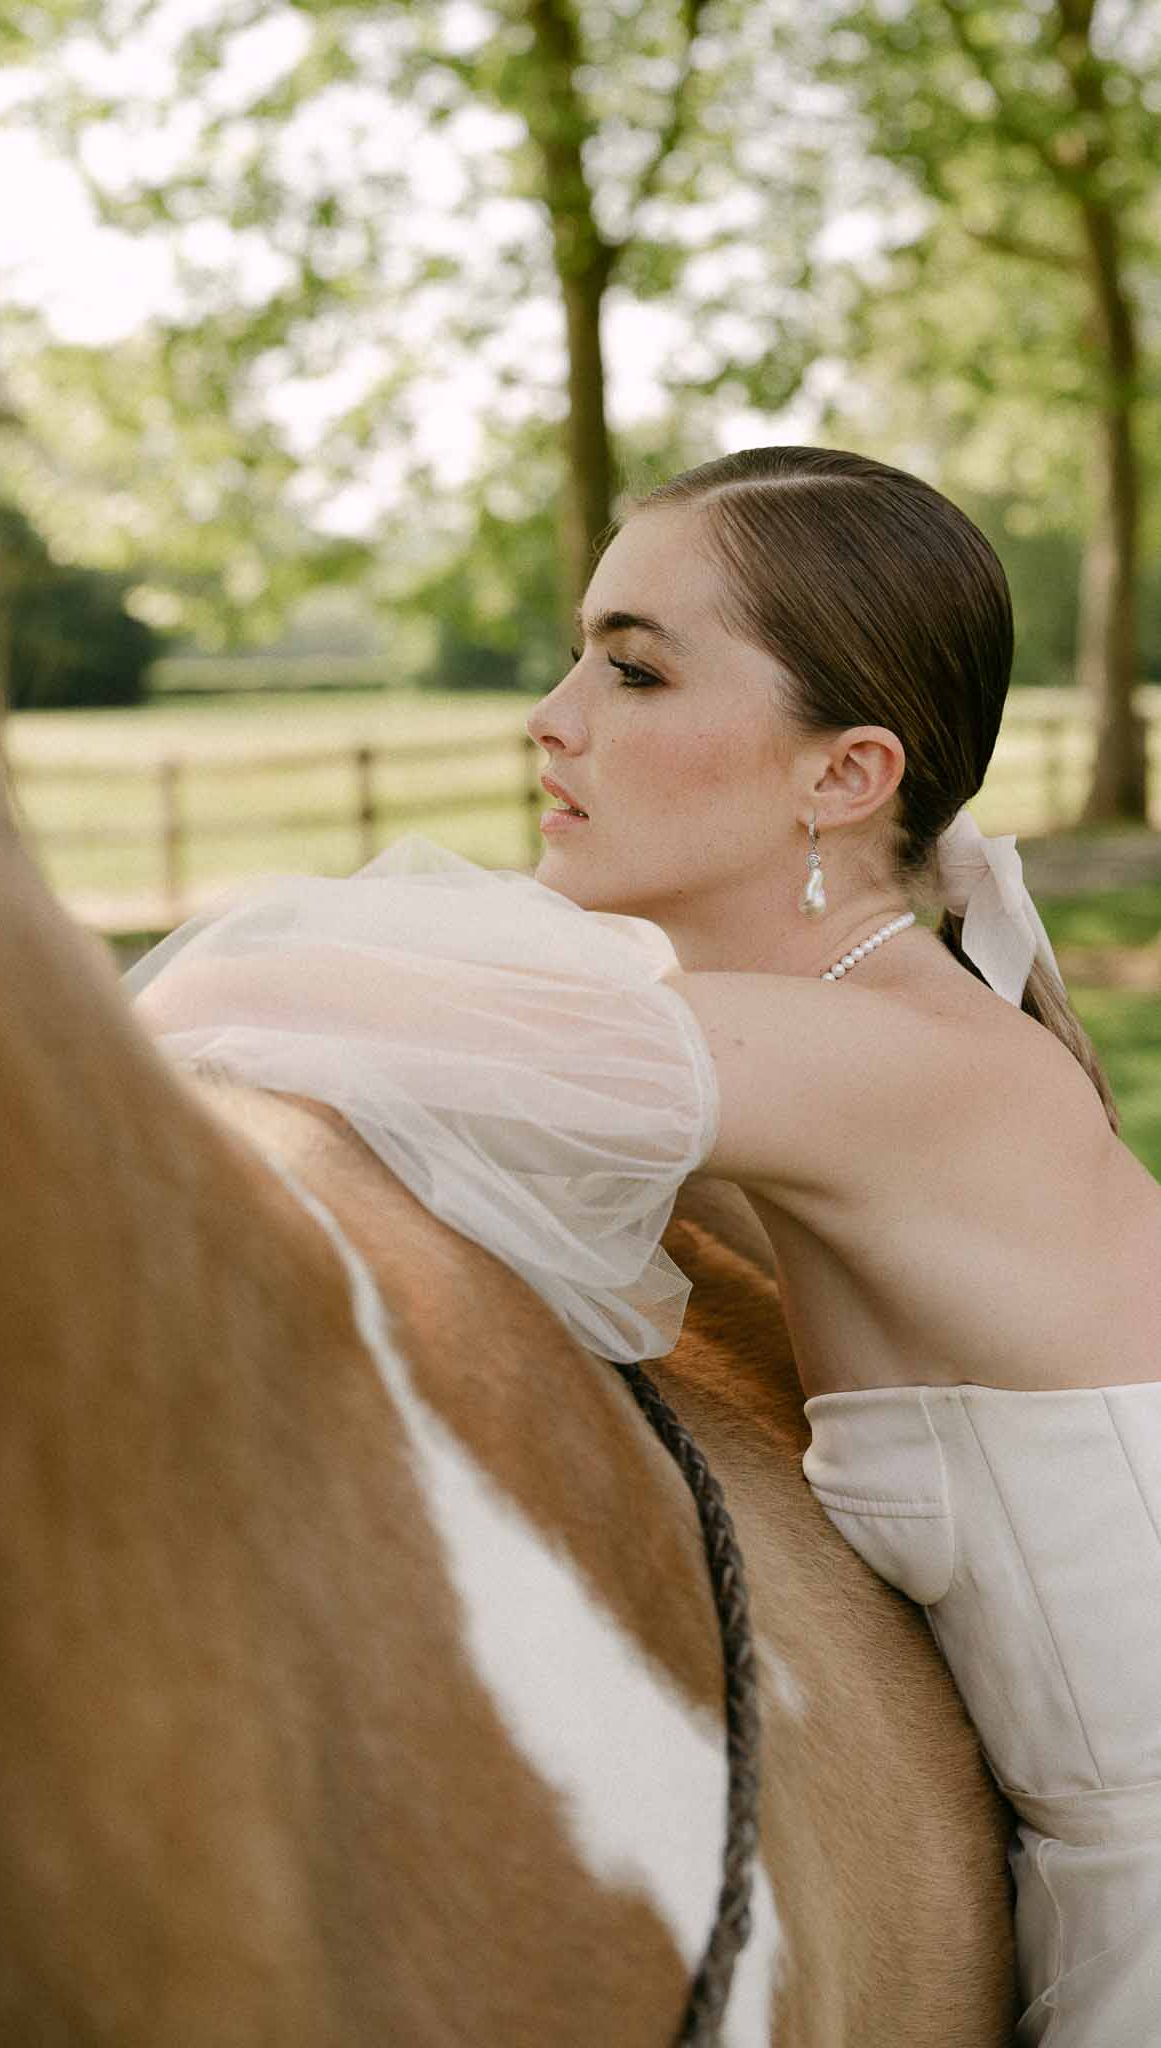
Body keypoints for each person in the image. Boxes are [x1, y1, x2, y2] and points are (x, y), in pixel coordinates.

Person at [129, 446, 1161, 2045]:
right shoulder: (846, 1040)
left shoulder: (909, 1075)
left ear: (844, 776)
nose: (550, 715)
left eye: (631, 669)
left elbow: (220, 1000)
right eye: (572, 656)